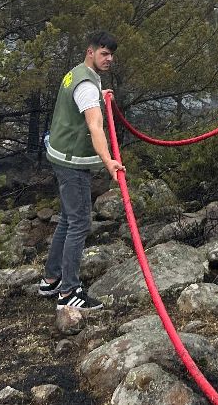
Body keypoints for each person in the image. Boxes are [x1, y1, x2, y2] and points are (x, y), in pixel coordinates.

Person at [38, 31, 125, 310]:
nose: (109, 58)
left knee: (67, 218)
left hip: (60, 154)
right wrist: (109, 159)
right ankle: (68, 292)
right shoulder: (86, 85)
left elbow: (82, 98)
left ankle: (51, 279)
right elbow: (94, 125)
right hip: (72, 162)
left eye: (111, 54)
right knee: (79, 223)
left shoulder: (77, 74)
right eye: (104, 53)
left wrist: (101, 94)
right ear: (91, 52)